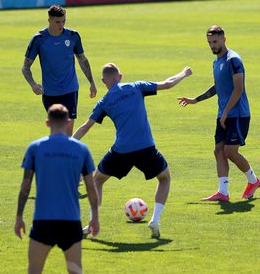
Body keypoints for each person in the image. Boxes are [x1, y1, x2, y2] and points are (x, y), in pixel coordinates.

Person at [9, 104, 100, 274]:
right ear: (69, 122)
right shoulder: (81, 150)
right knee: (76, 272)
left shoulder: (36, 148)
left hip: (43, 221)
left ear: (48, 123)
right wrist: (95, 218)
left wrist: (19, 216)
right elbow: (91, 188)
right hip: (70, 221)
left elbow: (25, 186)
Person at [73, 63, 192, 239]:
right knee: (164, 178)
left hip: (121, 151)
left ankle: (93, 222)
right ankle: (155, 221)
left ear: (103, 81)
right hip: (146, 148)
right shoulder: (136, 87)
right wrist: (184, 72)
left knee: (97, 180)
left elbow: (85, 127)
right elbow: (168, 83)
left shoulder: (103, 102)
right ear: (120, 76)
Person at [178, 25, 260, 202]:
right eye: (209, 42)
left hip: (237, 114)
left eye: (215, 41)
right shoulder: (217, 62)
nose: (212, 45)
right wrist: (196, 99)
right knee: (218, 150)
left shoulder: (234, 60)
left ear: (224, 39)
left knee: (230, 152)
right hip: (224, 113)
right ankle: (223, 192)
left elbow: (238, 89)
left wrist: (226, 112)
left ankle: (253, 181)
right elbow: (218, 87)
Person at [22, 5, 97, 136]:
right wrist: (33, 84)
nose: (61, 25)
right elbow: (25, 67)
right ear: (49, 20)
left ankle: (66, 155)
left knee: (67, 131)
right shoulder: (39, 39)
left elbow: (82, 60)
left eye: (64, 21)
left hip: (70, 89)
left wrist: (92, 82)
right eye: (57, 22)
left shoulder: (73, 36)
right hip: (50, 92)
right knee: (56, 131)